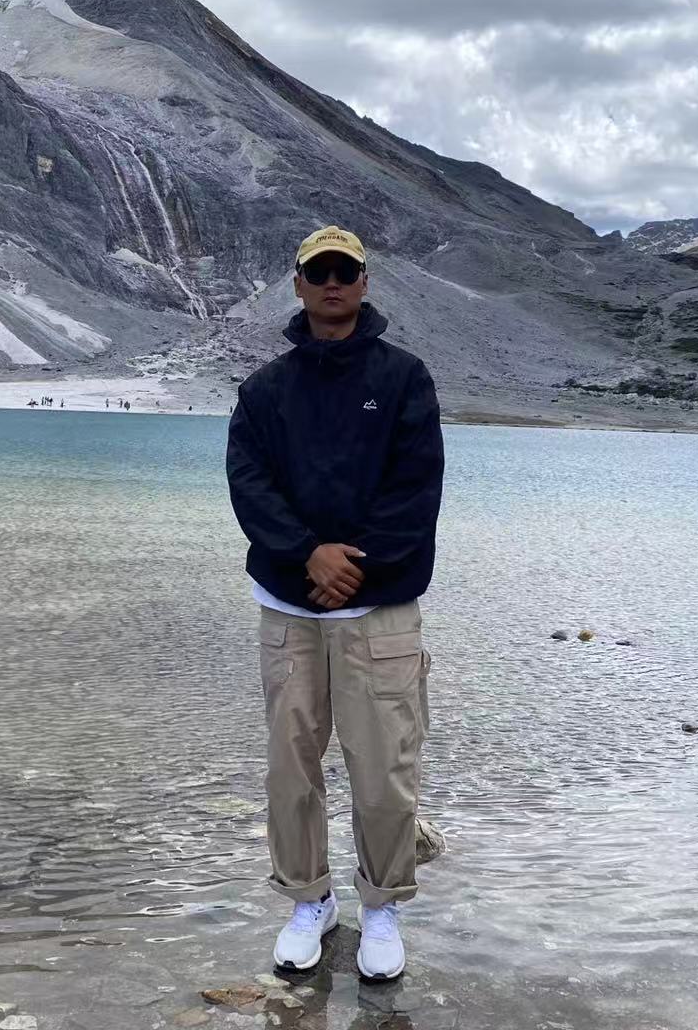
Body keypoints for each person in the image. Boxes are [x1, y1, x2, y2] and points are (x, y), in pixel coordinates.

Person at [225, 224, 444, 982]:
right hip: (288, 609)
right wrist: (305, 554)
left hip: (378, 609)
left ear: (363, 283)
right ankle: (308, 900)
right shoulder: (264, 390)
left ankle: (380, 907)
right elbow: (250, 485)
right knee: (290, 767)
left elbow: (415, 487)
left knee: (383, 768)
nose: (331, 284)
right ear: (297, 285)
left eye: (343, 273)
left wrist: (355, 563)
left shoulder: (405, 378)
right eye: (317, 273)